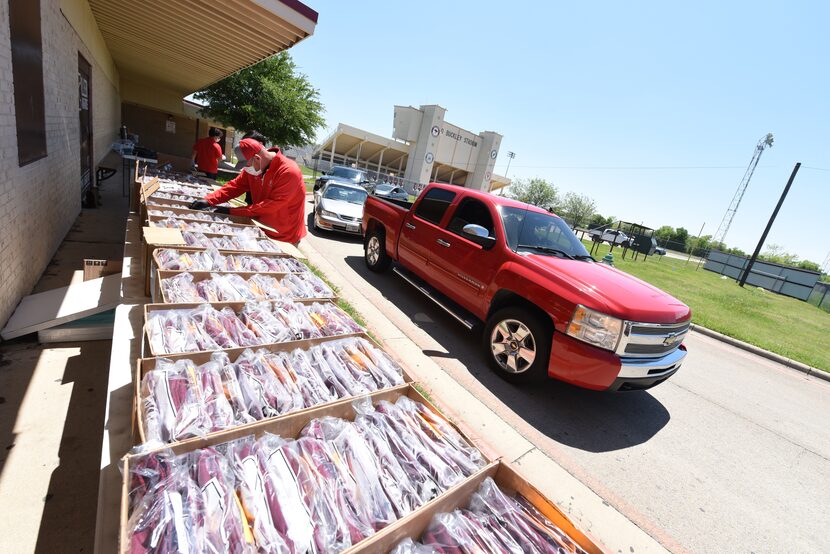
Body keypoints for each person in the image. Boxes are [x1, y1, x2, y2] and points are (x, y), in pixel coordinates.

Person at [189, 138, 307, 245]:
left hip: (285, 235)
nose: (245, 170)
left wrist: (231, 211)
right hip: (262, 228)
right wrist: (208, 200)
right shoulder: (254, 168)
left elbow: (269, 206)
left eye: (246, 165)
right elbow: (235, 186)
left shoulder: (289, 172)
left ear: (257, 158)